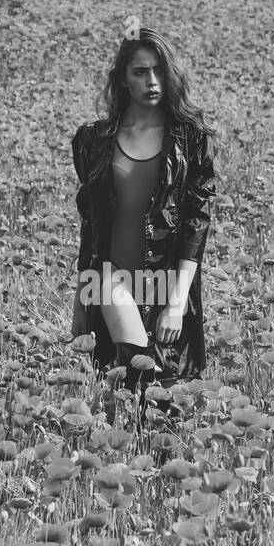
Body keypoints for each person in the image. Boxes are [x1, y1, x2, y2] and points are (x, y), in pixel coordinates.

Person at [69, 27, 219, 425]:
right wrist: (80, 300)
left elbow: (195, 227)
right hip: (108, 276)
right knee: (137, 360)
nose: (151, 82)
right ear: (122, 78)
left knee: (157, 396)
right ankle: (122, 441)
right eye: (139, 72)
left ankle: (128, 449)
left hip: (164, 281)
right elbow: (93, 227)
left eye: (158, 71)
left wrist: (175, 303)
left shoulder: (191, 140)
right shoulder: (92, 140)